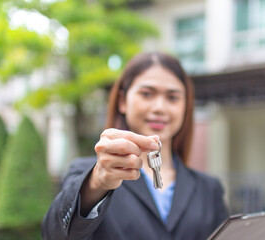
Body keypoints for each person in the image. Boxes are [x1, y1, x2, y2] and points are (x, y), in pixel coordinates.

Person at [41, 52, 228, 240]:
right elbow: (55, 235)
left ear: (185, 107)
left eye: (173, 98)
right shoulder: (88, 177)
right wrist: (97, 183)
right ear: (123, 101)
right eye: (147, 94)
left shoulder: (209, 189)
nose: (159, 108)